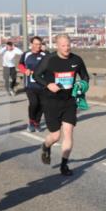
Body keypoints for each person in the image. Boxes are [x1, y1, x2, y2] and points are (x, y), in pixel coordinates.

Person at [32, 34, 89, 176]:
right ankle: (46, 146)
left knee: (68, 132)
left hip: (69, 101)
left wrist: (82, 85)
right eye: (63, 45)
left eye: (68, 45)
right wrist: (48, 84)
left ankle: (64, 165)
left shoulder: (76, 60)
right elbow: (36, 75)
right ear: (57, 46)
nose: (67, 48)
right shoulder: (49, 59)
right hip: (51, 101)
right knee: (55, 136)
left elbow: (85, 76)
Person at [21, 36, 47, 132]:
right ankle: (31, 122)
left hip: (42, 85)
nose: (38, 46)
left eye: (39, 44)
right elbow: (20, 64)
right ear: (31, 44)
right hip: (30, 85)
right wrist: (25, 70)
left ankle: (37, 123)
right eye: (36, 44)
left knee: (42, 105)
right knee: (34, 103)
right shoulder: (26, 54)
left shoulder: (45, 54)